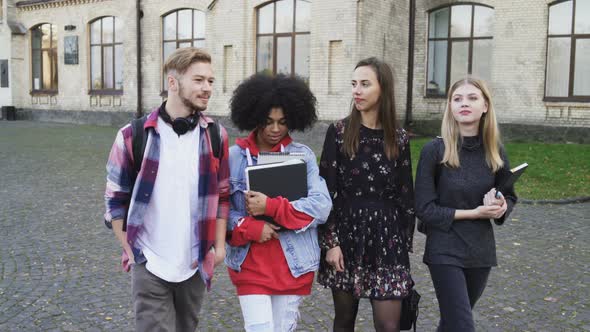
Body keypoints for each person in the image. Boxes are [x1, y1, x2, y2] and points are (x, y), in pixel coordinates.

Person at [104, 47, 229, 331]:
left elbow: (222, 196)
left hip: (195, 265)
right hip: (151, 263)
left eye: (210, 80)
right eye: (198, 80)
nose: (207, 88)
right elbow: (114, 200)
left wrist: (218, 249)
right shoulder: (132, 136)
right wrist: (133, 252)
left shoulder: (216, 136)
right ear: (172, 83)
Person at [225, 73, 332, 332]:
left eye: (283, 122)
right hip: (250, 265)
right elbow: (220, 211)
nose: (275, 129)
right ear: (254, 117)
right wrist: (249, 227)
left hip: (292, 265)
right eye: (268, 121)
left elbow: (321, 206)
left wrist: (271, 207)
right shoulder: (234, 157)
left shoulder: (302, 156)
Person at [317, 57, 416, 332]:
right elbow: (324, 191)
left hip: (387, 238)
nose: (356, 91)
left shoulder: (399, 137)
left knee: (389, 325)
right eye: (353, 84)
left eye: (364, 84)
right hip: (347, 235)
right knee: (345, 321)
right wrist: (331, 242)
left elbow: (405, 193)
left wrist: (402, 243)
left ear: (382, 89)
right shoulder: (338, 132)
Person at [414, 77, 517, 332]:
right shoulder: (434, 151)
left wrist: (502, 206)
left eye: (472, 98)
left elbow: (509, 194)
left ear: (485, 106)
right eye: (457, 99)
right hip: (444, 249)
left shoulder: (495, 151)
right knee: (462, 325)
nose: (464, 104)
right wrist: (475, 212)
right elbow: (424, 209)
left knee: (452, 323)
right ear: (450, 106)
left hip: (480, 252)